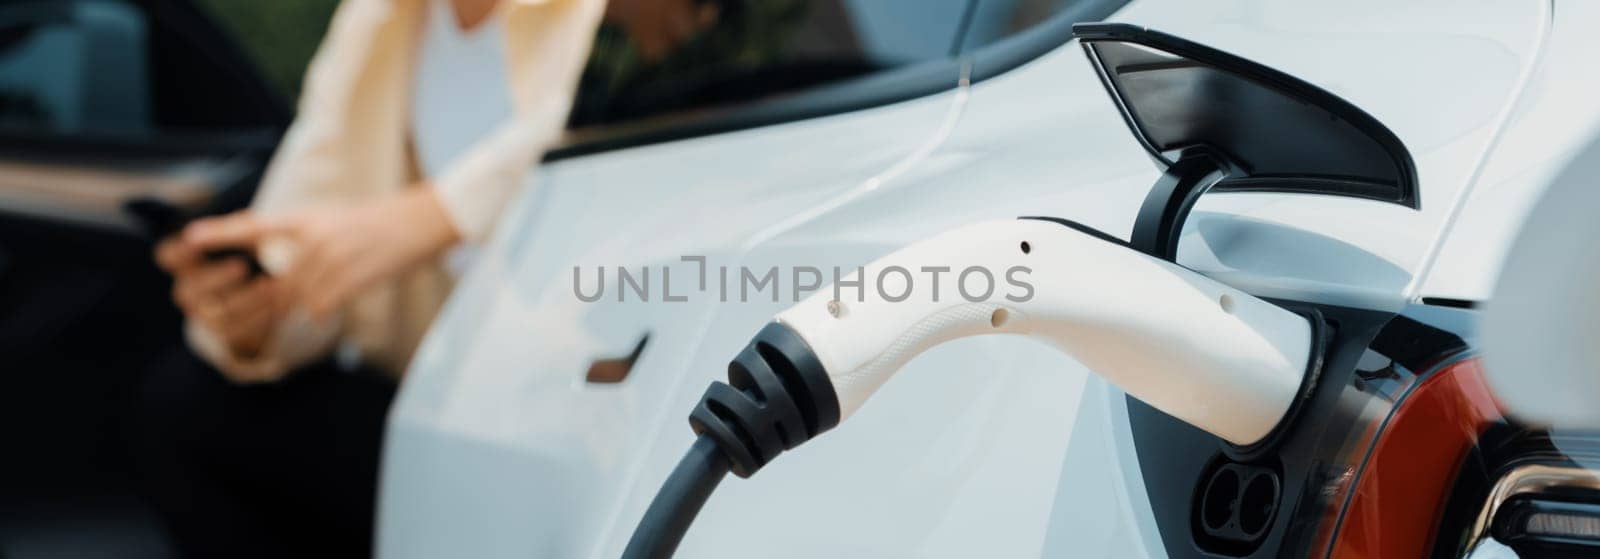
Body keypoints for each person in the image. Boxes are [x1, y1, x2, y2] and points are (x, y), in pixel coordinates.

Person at [131, 0, 713, 556]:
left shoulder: (600, 15)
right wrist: (253, 317)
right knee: (183, 406)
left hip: (570, 391)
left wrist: (434, 216)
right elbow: (307, 202)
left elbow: (620, 124)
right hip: (438, 383)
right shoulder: (382, 17)